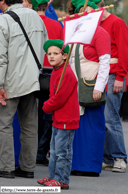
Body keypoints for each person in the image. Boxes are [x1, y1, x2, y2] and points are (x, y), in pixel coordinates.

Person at [0, 0, 48, 178]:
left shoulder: (3, 20)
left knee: (3, 124)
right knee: (30, 126)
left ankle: (6, 167)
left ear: (3, 1)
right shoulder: (36, 17)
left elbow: (0, 57)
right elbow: (45, 45)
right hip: (33, 80)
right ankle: (28, 168)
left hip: (10, 80)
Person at [67, 0, 111, 177]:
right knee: (76, 126)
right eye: (83, 11)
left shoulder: (100, 33)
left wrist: (99, 87)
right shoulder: (75, 32)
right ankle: (76, 164)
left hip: (92, 87)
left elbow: (105, 62)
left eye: (90, 11)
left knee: (92, 126)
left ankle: (90, 166)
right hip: (74, 87)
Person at [90, 0, 128, 172]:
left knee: (111, 117)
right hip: (100, 75)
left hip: (114, 75)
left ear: (100, 5)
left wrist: (121, 76)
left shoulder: (117, 22)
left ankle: (120, 157)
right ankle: (108, 158)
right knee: (102, 118)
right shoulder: (94, 22)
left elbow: (124, 50)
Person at [37, 39, 80, 189]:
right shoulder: (56, 71)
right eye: (49, 53)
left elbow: (59, 97)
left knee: (63, 152)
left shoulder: (66, 73)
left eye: (56, 53)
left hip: (66, 119)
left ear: (65, 55)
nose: (52, 56)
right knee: (54, 151)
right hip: (58, 119)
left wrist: (46, 106)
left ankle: (62, 179)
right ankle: (52, 176)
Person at [35, 0, 64, 165]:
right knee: (48, 114)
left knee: (32, 114)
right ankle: (42, 151)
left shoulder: (30, 22)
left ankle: (34, 151)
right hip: (52, 73)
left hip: (34, 71)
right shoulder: (56, 25)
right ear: (47, 6)